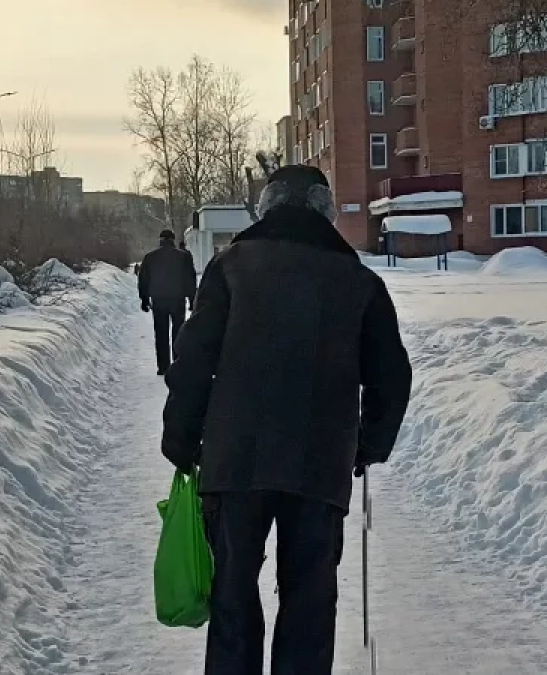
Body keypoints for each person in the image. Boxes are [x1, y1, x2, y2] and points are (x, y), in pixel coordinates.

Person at [161, 165, 413, 675]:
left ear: (266, 207)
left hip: (235, 461)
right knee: (309, 604)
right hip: (320, 465)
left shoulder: (231, 267)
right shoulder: (359, 280)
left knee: (232, 598)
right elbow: (392, 376)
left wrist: (182, 438)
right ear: (326, 210)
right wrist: (368, 444)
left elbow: (193, 359)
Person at [138, 229, 197, 376]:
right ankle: (177, 363)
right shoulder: (184, 257)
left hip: (158, 300)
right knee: (178, 331)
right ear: (173, 240)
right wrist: (192, 299)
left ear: (160, 240)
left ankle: (163, 366)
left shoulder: (150, 257)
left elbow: (143, 280)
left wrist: (144, 299)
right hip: (177, 299)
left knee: (161, 333)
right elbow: (190, 279)